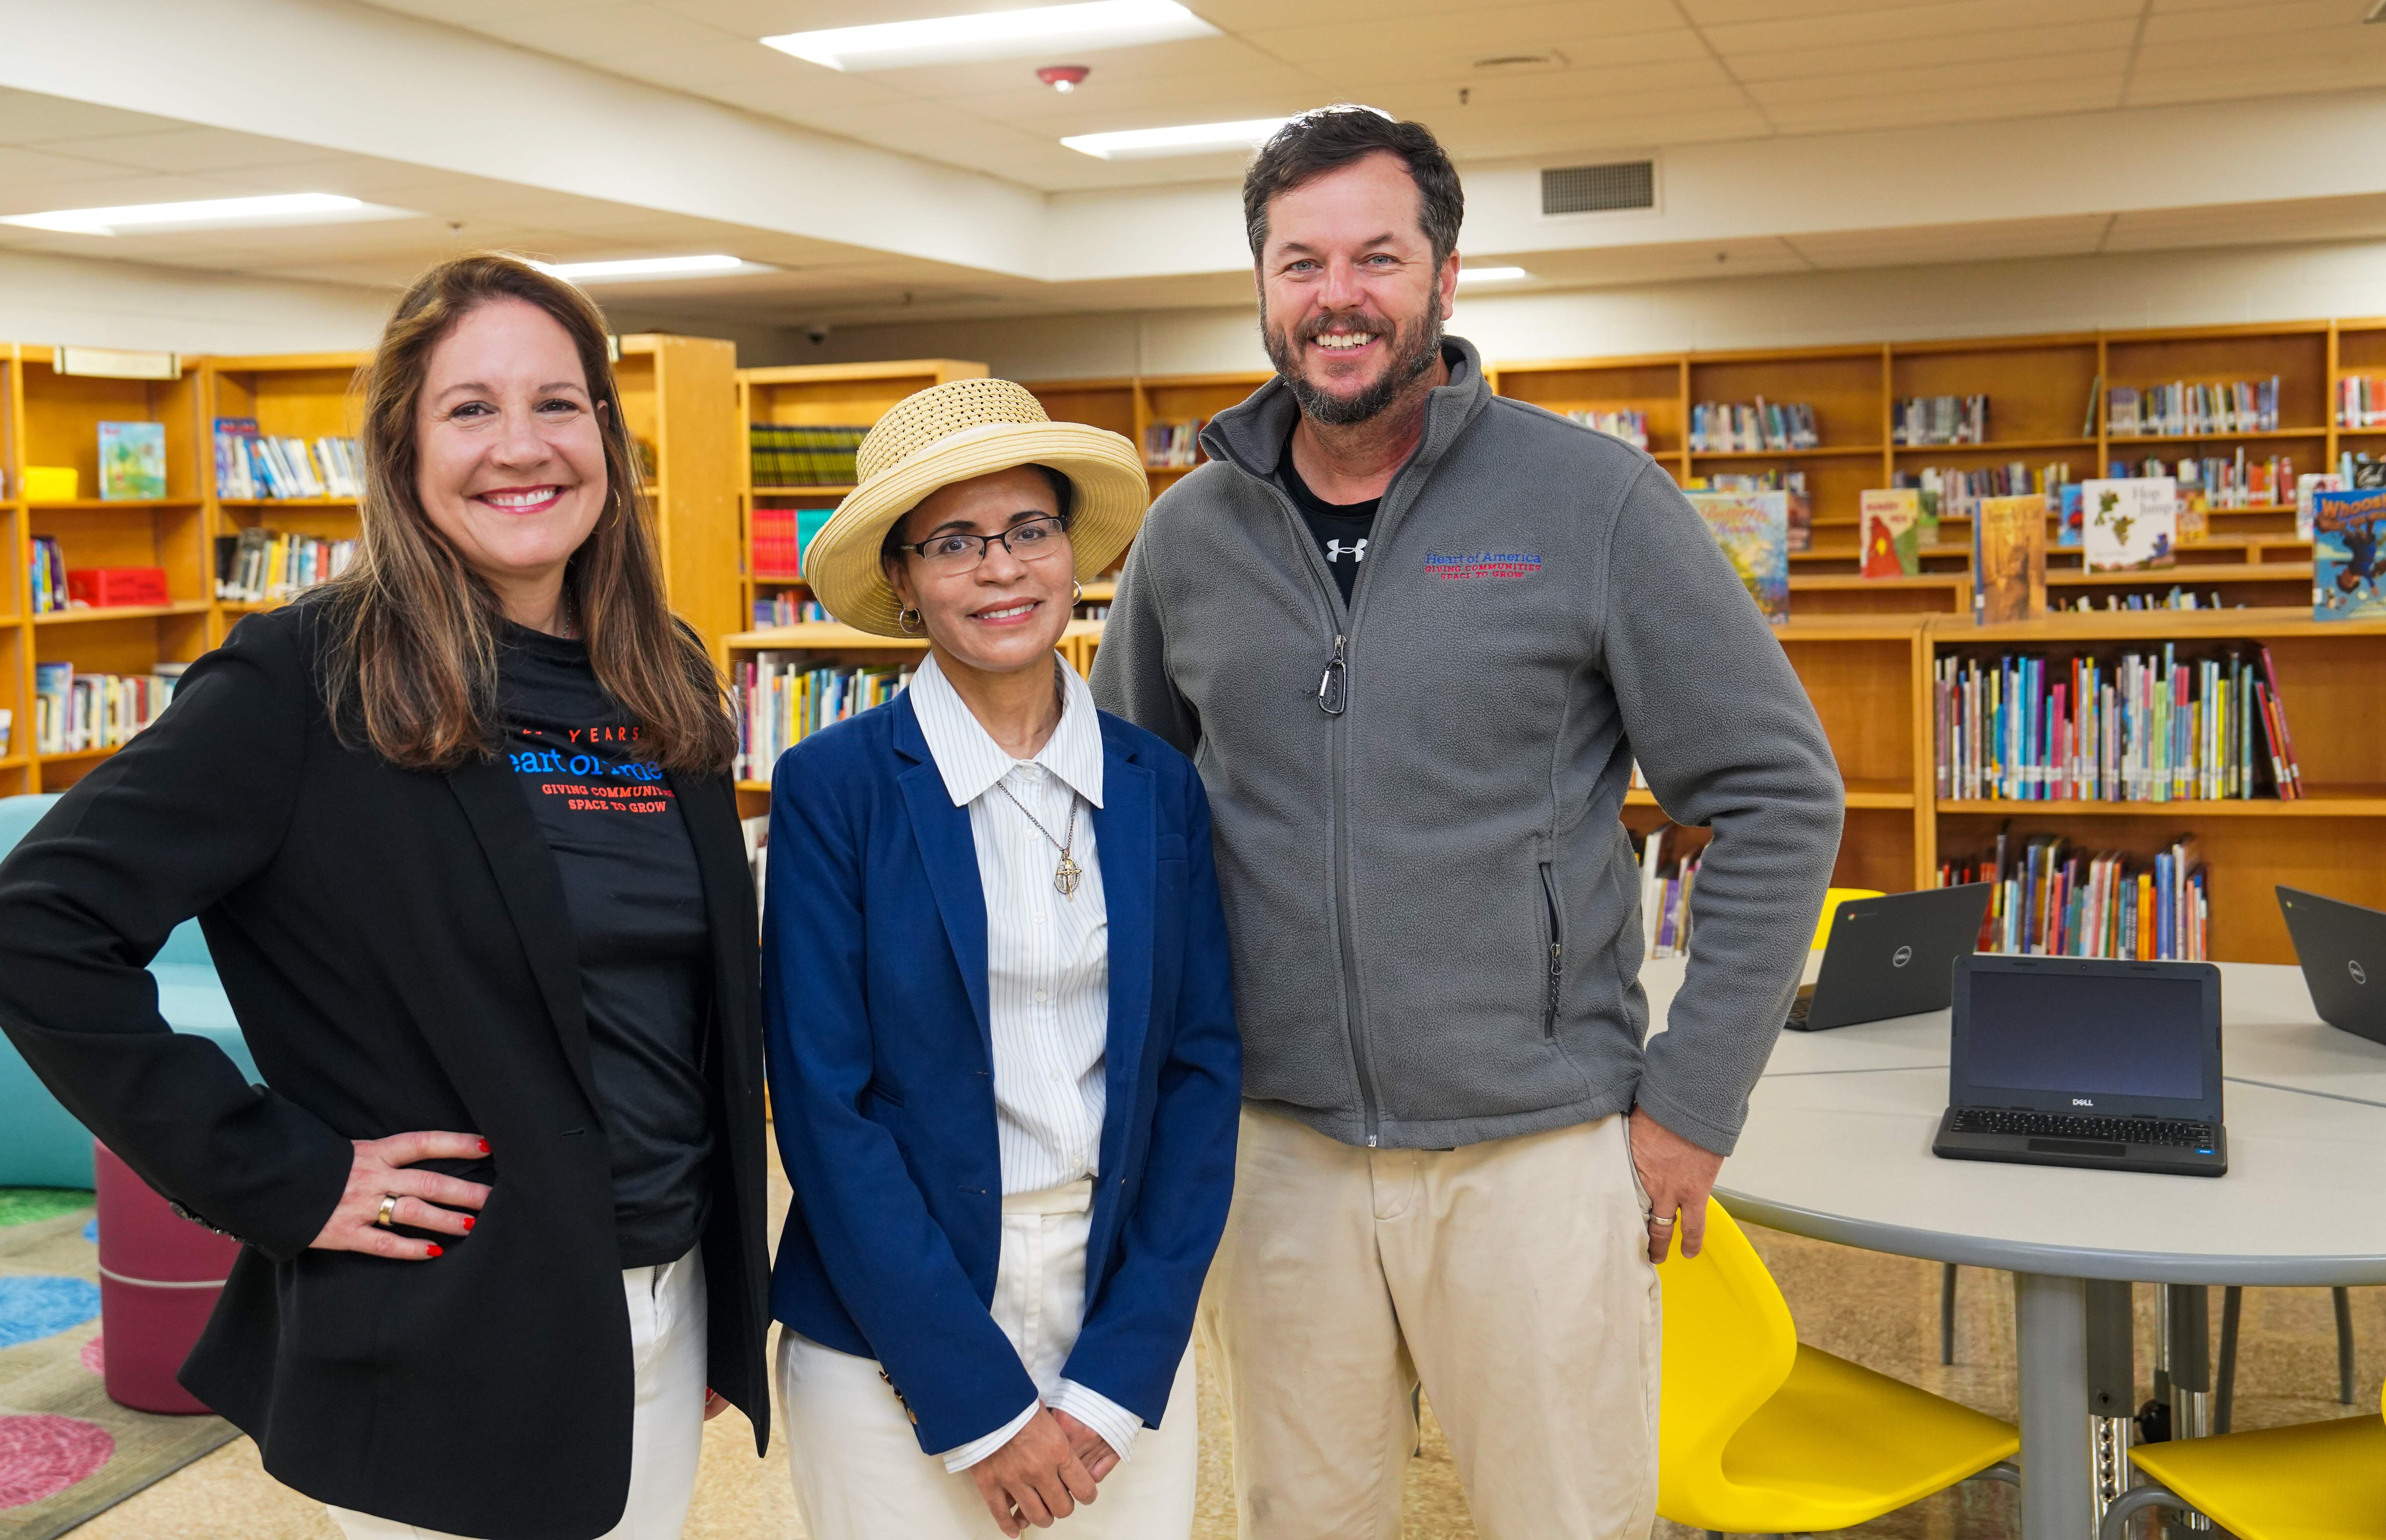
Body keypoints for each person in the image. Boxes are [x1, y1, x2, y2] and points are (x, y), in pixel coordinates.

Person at [1092, 107, 1845, 1539]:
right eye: (1299, 261)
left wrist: (1691, 1102)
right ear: (1261, 286)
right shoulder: (1188, 537)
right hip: (1278, 1150)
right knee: (1300, 1517)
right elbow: (1135, 817)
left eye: (1376, 256)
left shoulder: (1592, 501)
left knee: (1565, 1519)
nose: (1337, 296)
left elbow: (1775, 793)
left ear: (1443, 276)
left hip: (1538, 1148)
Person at [0, 253, 769, 1540]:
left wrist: (710, 1275)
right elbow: (31, 930)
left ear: (609, 437)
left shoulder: (656, 671)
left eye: (561, 404)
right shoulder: (306, 679)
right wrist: (280, 1173)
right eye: (470, 409)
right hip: (456, 1318)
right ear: (400, 449)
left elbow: (684, 1006)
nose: (523, 447)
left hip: (664, 1297)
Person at [763, 379, 1242, 1539]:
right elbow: (825, 1107)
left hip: (1117, 1308)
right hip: (893, 1321)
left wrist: (1124, 1371)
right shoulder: (835, 789)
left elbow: (1200, 1073)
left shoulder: (1156, 786)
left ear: (1071, 555)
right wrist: (974, 1400)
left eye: (1030, 532)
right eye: (956, 543)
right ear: (904, 580)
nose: (1001, 569)